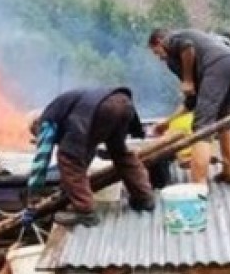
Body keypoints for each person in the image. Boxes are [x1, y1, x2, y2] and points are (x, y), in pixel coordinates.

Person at [30, 86, 156, 228]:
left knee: (68, 158)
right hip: (124, 102)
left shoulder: (46, 121)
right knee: (120, 152)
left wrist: (33, 192)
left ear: (36, 125)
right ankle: (144, 198)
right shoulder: (66, 112)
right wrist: (67, 188)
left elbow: (42, 160)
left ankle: (85, 212)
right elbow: (85, 154)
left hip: (101, 109)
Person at [148, 27, 230, 185]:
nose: (159, 58)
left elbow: (186, 46)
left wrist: (188, 79)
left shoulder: (173, 38)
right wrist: (167, 122)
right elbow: (192, 100)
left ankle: (198, 184)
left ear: (159, 42)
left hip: (219, 66)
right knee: (223, 118)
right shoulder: (181, 60)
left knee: (202, 126)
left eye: (156, 52)